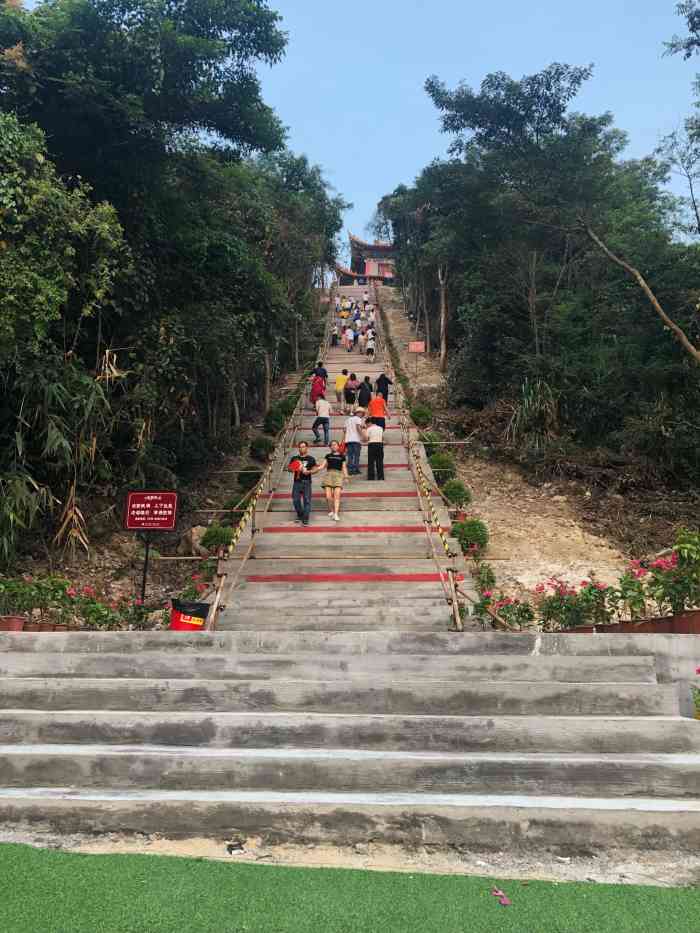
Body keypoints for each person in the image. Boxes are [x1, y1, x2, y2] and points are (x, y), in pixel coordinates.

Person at [320, 440, 348, 522]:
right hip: (329, 475)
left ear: (338, 446)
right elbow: (322, 466)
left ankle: (336, 513)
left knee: (337, 495)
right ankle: (331, 510)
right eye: (332, 445)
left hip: (338, 475)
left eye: (335, 445)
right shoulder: (328, 456)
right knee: (328, 496)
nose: (333, 446)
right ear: (330, 447)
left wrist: (346, 477)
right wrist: (313, 470)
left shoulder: (342, 456)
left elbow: (344, 467)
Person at [289, 441, 316, 526]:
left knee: (307, 501)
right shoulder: (294, 458)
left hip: (307, 482)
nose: (302, 448)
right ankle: (300, 514)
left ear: (307, 448)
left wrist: (309, 471)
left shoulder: (311, 459)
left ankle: (305, 518)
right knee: (295, 500)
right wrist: (296, 467)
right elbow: (289, 469)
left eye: (303, 446)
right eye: (300, 447)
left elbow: (315, 469)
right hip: (297, 482)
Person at [343, 408, 364, 476]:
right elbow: (358, 428)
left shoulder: (347, 420)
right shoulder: (358, 419)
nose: (362, 415)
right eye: (362, 413)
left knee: (350, 456)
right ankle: (356, 469)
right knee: (356, 455)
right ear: (358, 413)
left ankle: (350, 470)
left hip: (348, 440)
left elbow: (344, 430)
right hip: (356, 439)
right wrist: (363, 436)